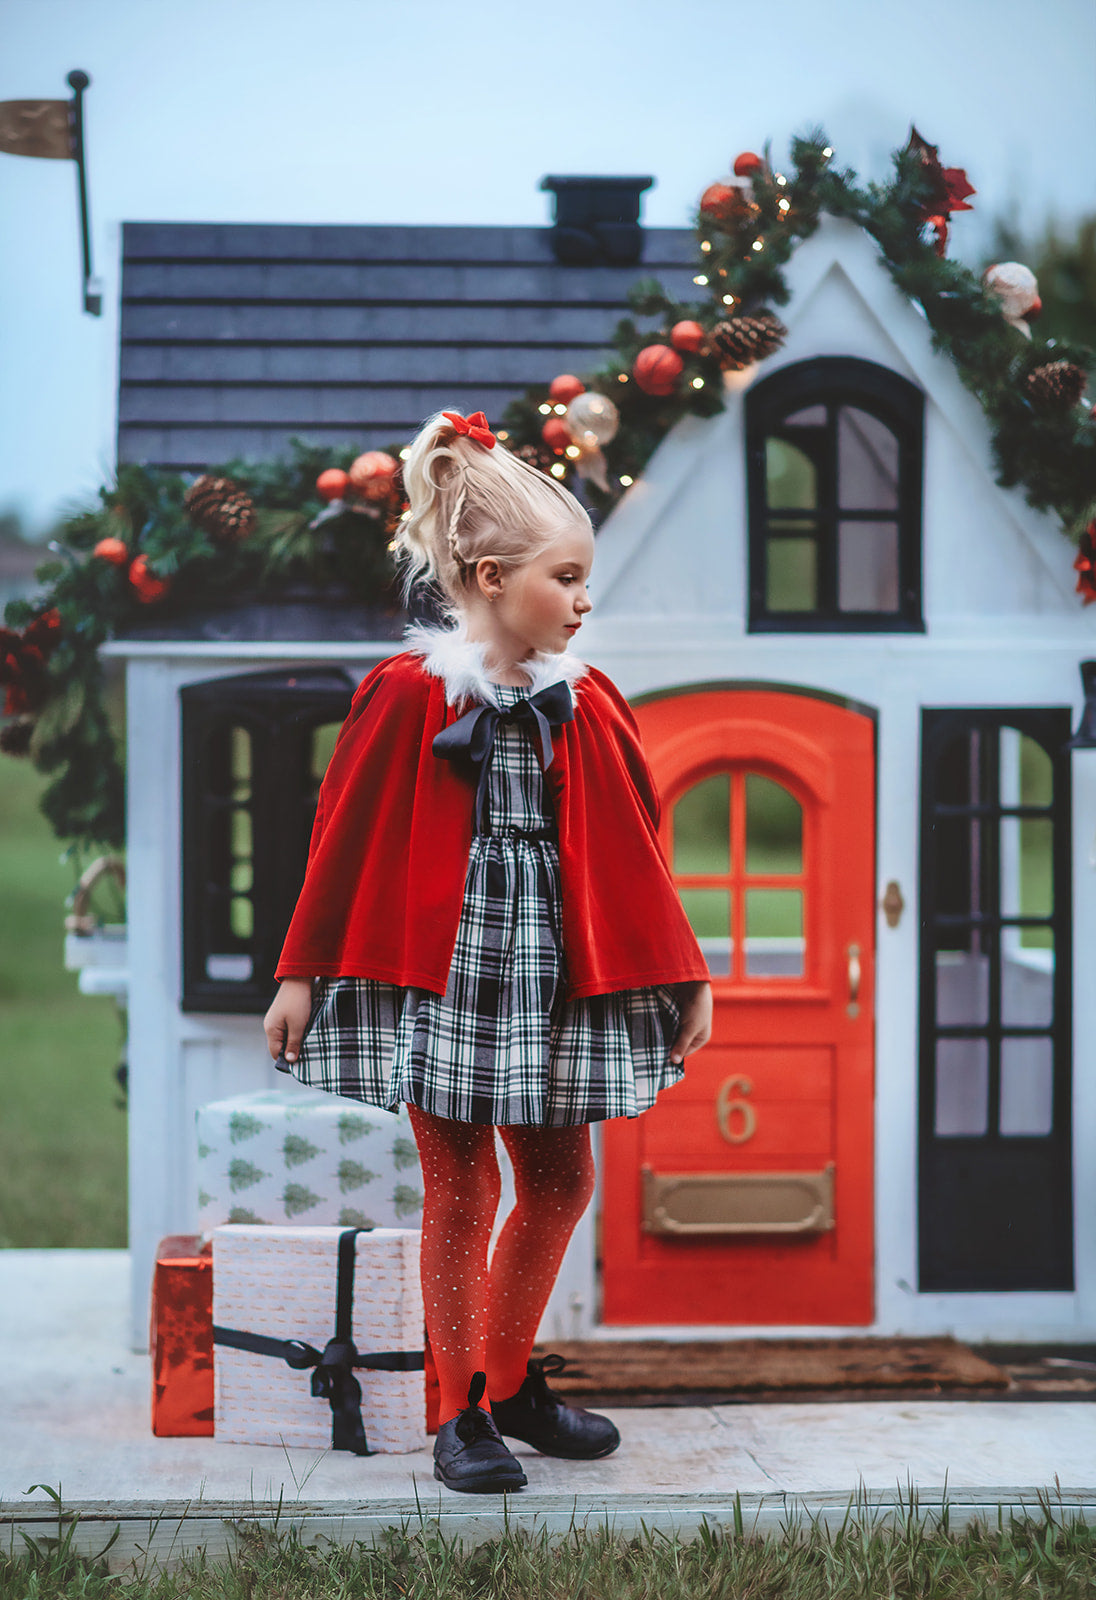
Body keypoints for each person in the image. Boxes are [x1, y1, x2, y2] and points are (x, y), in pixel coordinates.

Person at [263, 407, 712, 1494]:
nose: (583, 600)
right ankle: (455, 1407)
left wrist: (682, 973)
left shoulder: (588, 704)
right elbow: (344, 840)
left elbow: (639, 849)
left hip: (556, 976)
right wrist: (298, 972)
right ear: (489, 573)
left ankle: (507, 1380)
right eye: (565, 577)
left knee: (559, 1178)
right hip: (446, 974)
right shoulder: (406, 699)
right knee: (458, 1185)